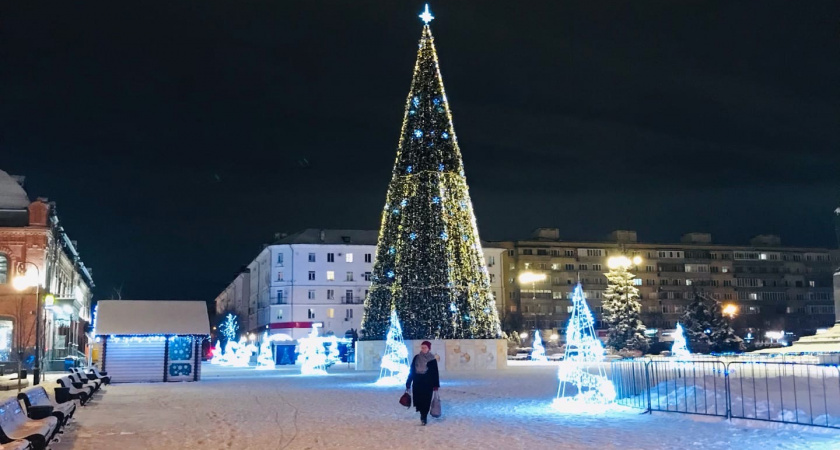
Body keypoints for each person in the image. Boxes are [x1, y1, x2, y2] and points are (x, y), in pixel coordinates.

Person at [406, 340, 439, 425]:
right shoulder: (416, 357)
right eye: (422, 347)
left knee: (426, 400)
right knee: (418, 400)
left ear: (429, 348)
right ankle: (422, 414)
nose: (423, 349)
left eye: (425, 347)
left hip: (428, 383)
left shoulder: (432, 359)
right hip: (417, 382)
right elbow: (412, 370)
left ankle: (424, 416)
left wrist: (435, 385)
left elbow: (435, 373)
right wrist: (408, 382)